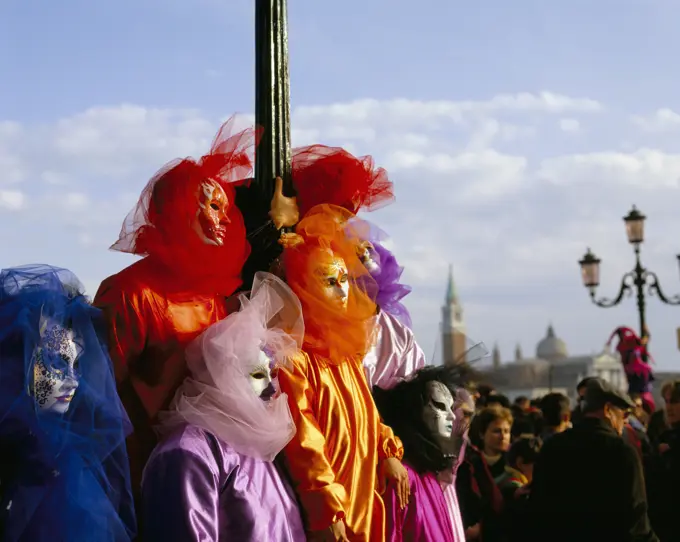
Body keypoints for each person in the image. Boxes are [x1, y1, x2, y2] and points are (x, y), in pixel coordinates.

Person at [94, 117, 299, 493]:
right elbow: (98, 394)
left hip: (210, 471)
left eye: (225, 208)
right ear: (176, 211)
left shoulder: (212, 295)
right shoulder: (131, 293)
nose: (222, 219)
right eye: (208, 205)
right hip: (140, 469)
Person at [277, 204, 407, 542]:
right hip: (335, 500)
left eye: (345, 279)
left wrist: (386, 449)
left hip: (364, 487)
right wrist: (326, 507)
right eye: (328, 280)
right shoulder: (296, 360)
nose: (342, 289)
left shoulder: (347, 355)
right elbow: (304, 441)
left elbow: (367, 410)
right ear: (304, 285)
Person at [141, 273, 305, 541]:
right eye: (256, 375)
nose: (272, 388)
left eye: (270, 372)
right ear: (224, 375)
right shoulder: (188, 454)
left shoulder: (255, 448)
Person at [0, 265, 135, 541]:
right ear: (17, 361)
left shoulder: (70, 474)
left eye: (76, 364)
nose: (73, 381)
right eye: (56, 363)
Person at [529, 378, 658, 542]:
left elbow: (537, 510)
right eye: (624, 414)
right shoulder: (622, 452)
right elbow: (636, 521)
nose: (625, 421)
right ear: (607, 410)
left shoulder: (552, 447)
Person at [374, 365, 474, 542]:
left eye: (451, 407)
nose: (451, 416)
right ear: (416, 411)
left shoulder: (429, 474)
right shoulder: (402, 478)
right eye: (439, 406)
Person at [456, 406, 511, 542]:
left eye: (507, 431)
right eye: (496, 431)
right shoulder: (470, 464)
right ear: (482, 433)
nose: (503, 436)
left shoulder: (516, 466)